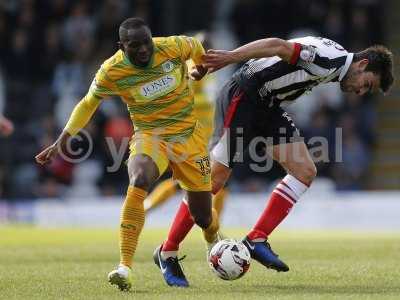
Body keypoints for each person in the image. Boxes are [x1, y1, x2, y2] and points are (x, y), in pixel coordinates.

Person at [155, 36, 394, 279]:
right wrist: (229, 57)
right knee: (212, 181)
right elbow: (278, 45)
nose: (361, 91)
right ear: (362, 65)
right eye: (368, 84)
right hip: (244, 96)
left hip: (267, 105)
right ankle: (167, 252)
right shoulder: (328, 59)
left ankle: (256, 238)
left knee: (304, 171)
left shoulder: (337, 61)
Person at [35, 17, 220, 290]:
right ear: (122, 46)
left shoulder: (172, 46)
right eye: (135, 46)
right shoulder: (112, 70)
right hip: (150, 136)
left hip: (189, 137)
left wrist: (200, 67)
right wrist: (62, 140)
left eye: (146, 42)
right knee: (139, 178)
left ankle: (214, 241)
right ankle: (124, 267)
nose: (144, 49)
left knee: (203, 216)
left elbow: (196, 47)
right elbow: (88, 104)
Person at [143, 32, 228, 218]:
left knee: (208, 182)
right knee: (201, 182)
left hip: (208, 136)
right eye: (204, 49)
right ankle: (146, 209)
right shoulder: (191, 69)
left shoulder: (210, 71)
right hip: (191, 135)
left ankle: (213, 228)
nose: (206, 53)